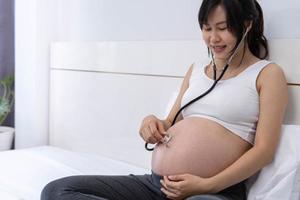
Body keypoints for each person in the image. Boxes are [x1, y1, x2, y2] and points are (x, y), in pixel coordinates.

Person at [41, 0, 288, 199]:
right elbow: (170, 121)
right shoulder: (197, 69)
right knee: (57, 191)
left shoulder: (267, 74)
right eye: (206, 27)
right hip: (156, 185)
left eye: (222, 28)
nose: (213, 38)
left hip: (213, 192)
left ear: (246, 25)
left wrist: (205, 185)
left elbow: (264, 151)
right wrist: (152, 122)